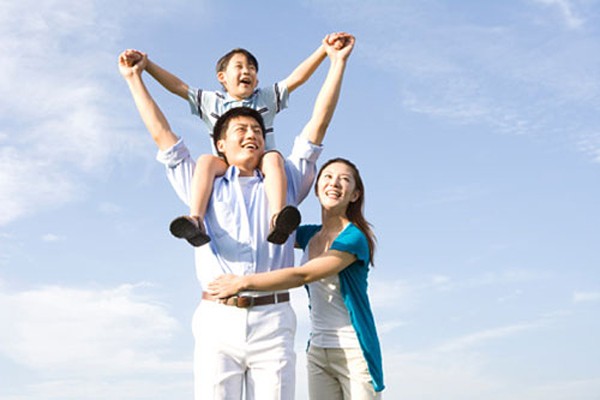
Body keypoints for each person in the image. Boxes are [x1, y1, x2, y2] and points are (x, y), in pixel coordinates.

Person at [118, 33, 355, 400]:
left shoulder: (285, 180)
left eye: (258, 130)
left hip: (273, 320)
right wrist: (135, 78)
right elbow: (162, 134)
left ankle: (278, 222)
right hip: (217, 320)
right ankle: (194, 221)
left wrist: (336, 63)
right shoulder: (203, 180)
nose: (252, 135)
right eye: (241, 130)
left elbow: (318, 124)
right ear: (220, 144)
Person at [122, 35, 341, 247]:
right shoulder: (211, 101)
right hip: (225, 164)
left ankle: (278, 217)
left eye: (252, 69)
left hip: (262, 160)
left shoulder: (264, 98)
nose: (247, 71)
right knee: (206, 161)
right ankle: (196, 219)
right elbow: (178, 87)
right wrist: (147, 66)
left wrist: (323, 51)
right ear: (222, 77)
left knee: (274, 159)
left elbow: (297, 78)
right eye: (239, 66)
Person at [207, 158, 385, 399]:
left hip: (354, 350)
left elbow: (304, 274)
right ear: (316, 188)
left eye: (344, 179)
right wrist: (255, 169)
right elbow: (265, 228)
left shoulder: (354, 238)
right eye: (328, 177)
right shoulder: (309, 235)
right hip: (319, 351)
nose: (334, 183)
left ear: (354, 195)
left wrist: (241, 282)